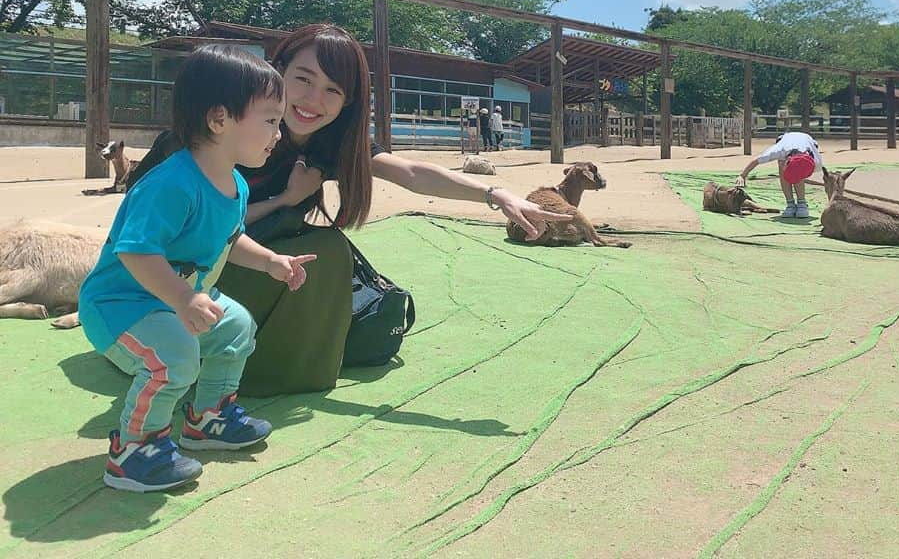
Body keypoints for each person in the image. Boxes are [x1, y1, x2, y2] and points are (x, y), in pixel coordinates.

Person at [127, 24, 569, 396]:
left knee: (327, 261)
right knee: (327, 249)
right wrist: (286, 201)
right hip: (178, 281)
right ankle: (232, 371)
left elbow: (413, 172)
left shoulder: (328, 143)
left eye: (332, 90)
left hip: (253, 270)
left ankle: (257, 362)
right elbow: (174, 232)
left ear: (348, 103)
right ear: (275, 71)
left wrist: (496, 194)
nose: (313, 99)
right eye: (303, 78)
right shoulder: (211, 134)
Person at [78, 46, 317, 493]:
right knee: (174, 357)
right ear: (219, 119)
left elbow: (229, 238)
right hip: (121, 306)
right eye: (269, 120)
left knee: (237, 327)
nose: (278, 134)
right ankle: (133, 451)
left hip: (175, 300)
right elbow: (136, 252)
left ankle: (209, 418)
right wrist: (185, 298)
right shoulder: (172, 183)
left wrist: (269, 261)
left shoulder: (236, 183)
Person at [734, 131, 822, 219]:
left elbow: (805, 177)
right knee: (783, 166)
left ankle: (801, 204)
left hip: (807, 141)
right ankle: (791, 204)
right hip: (787, 141)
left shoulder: (816, 162)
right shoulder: (779, 150)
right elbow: (756, 161)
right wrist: (742, 175)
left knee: (798, 172)